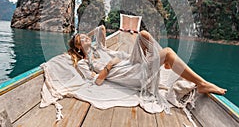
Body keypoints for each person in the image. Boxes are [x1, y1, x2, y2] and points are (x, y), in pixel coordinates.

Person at [68, 25, 227, 95]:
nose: (83, 37)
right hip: (125, 73)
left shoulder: (99, 47)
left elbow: (101, 28)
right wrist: (109, 65)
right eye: (79, 40)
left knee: (143, 34)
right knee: (168, 53)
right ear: (77, 48)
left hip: (126, 62)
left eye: (84, 36)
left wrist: (84, 37)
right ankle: (202, 84)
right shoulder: (84, 62)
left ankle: (163, 62)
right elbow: (96, 82)